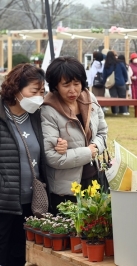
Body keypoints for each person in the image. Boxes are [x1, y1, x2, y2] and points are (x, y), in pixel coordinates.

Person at [0, 64, 66, 266]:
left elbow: (43, 148)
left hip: (32, 201)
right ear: (16, 89)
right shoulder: (3, 116)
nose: (39, 96)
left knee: (23, 254)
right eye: (34, 91)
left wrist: (59, 144)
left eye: (42, 92)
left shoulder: (37, 116)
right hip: (5, 202)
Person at [41, 57, 108, 214]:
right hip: (65, 190)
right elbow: (52, 157)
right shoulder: (48, 110)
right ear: (55, 86)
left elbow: (103, 132)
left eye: (77, 84)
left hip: (93, 180)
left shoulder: (89, 98)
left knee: (93, 233)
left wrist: (96, 147)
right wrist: (88, 152)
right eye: (66, 85)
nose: (73, 90)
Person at [103, 51, 129, 115]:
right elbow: (125, 72)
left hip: (111, 83)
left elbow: (104, 75)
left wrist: (105, 83)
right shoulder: (120, 63)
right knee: (122, 97)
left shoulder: (107, 64)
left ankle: (115, 111)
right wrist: (125, 80)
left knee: (113, 97)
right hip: (121, 82)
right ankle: (123, 111)